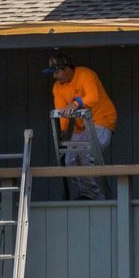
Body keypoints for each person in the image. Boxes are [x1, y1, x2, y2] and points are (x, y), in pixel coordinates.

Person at [47, 53, 117, 201]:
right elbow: (61, 110)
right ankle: (84, 194)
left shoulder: (85, 74)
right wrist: (64, 130)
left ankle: (95, 197)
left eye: (57, 72)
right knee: (70, 160)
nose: (54, 76)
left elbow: (93, 97)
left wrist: (76, 103)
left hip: (102, 119)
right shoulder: (57, 87)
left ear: (67, 69)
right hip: (82, 125)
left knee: (86, 155)